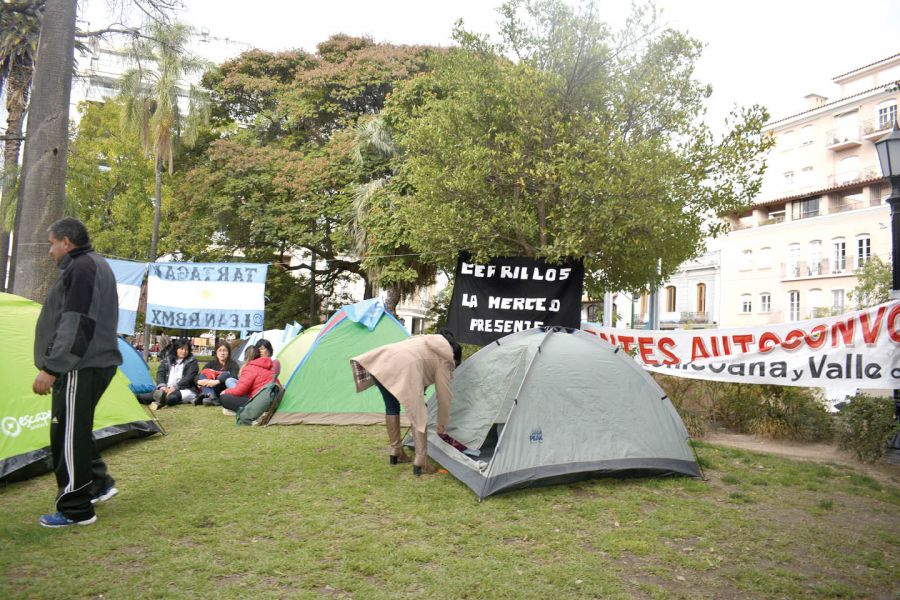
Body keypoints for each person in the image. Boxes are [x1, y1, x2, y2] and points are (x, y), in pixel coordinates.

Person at [32, 218, 122, 528]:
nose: (50, 250)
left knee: (65, 433)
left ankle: (75, 508)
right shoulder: (94, 264)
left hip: (78, 366)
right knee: (76, 429)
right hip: (94, 362)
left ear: (66, 242)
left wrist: (52, 367)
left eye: (51, 243)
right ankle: (98, 483)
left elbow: (77, 322)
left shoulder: (81, 267)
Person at [350, 330, 462, 476]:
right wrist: (442, 422)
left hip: (381, 362)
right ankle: (421, 460)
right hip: (404, 368)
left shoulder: (424, 340)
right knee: (419, 412)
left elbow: (421, 368)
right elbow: (444, 396)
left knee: (391, 406)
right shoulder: (445, 359)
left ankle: (396, 450)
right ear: (454, 354)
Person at [138, 339, 199, 409]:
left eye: (186, 349)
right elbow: (160, 373)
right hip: (166, 388)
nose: (184, 351)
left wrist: (175, 388)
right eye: (181, 349)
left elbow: (189, 378)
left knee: (171, 398)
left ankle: (161, 399)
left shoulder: (192, 362)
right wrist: (162, 386)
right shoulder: (168, 360)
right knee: (141, 397)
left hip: (184, 389)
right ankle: (160, 396)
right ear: (176, 349)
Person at [219, 345, 277, 415]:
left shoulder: (250, 368)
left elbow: (239, 391)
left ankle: (252, 413)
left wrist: (226, 391)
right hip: (273, 401)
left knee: (224, 398)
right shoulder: (268, 365)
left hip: (261, 403)